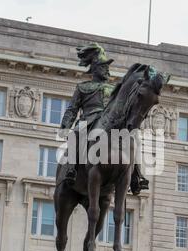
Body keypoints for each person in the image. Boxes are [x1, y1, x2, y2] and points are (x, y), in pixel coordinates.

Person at [59, 43, 148, 195]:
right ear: (94, 69)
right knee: (76, 134)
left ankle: (136, 175)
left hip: (111, 121)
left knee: (134, 138)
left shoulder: (113, 89)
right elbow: (72, 108)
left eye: (107, 67)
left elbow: (122, 106)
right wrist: (66, 125)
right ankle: (72, 169)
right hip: (89, 119)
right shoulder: (83, 87)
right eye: (103, 67)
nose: (107, 70)